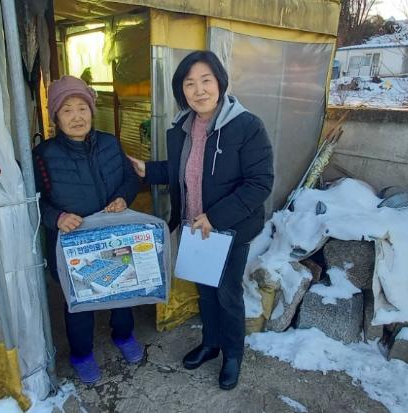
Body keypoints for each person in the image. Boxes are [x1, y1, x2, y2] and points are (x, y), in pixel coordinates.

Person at [127, 51, 273, 390]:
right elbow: (185, 170)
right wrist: (148, 170)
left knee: (227, 293)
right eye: (189, 83)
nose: (199, 90)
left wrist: (216, 216)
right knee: (205, 291)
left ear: (220, 82)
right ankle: (211, 343)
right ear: (182, 90)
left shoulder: (247, 126)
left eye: (206, 80)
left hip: (229, 228)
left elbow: (260, 183)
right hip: (195, 227)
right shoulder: (183, 127)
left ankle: (233, 354)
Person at [33, 75, 143, 385]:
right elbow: (33, 201)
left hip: (113, 234)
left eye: (82, 107)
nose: (77, 116)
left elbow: (130, 179)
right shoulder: (43, 156)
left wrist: (123, 197)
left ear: (92, 110)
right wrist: (56, 217)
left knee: (121, 289)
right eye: (67, 110)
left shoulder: (109, 142)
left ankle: (124, 336)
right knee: (79, 301)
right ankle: (81, 354)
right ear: (55, 116)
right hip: (72, 243)